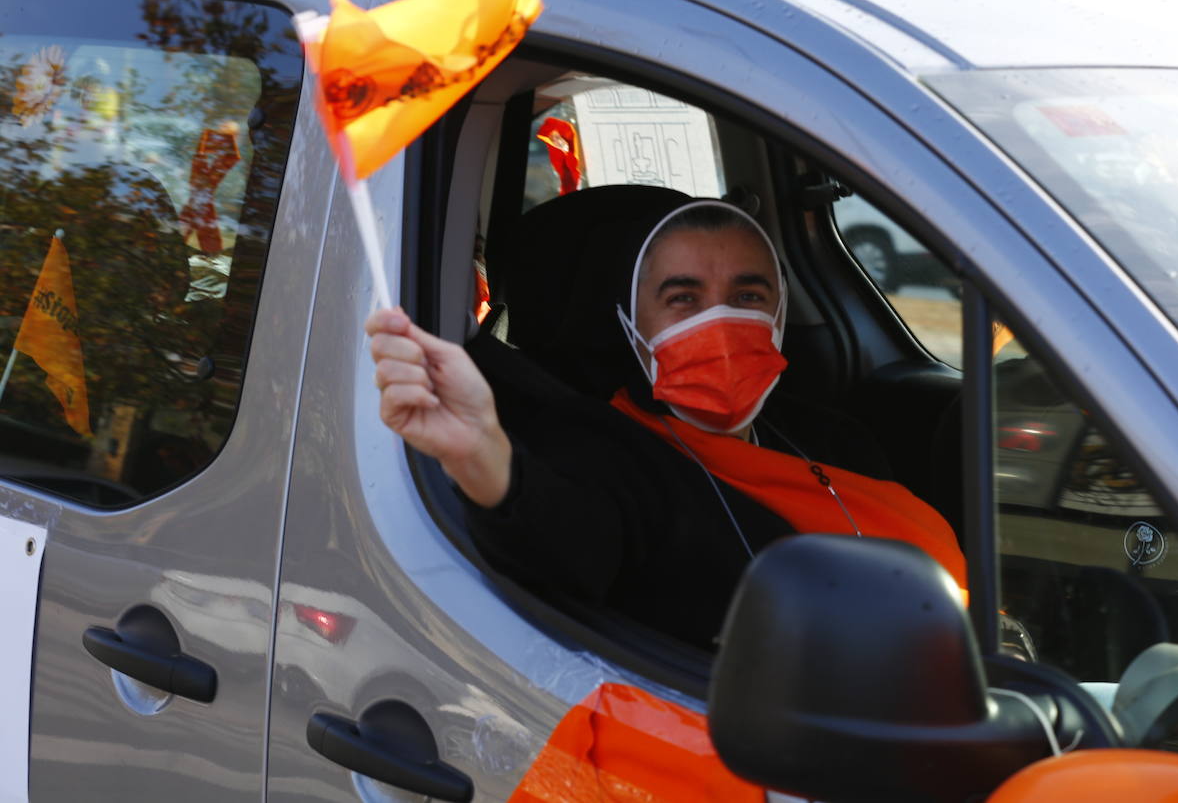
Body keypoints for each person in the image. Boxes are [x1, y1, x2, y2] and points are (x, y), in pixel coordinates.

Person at [367, 197, 964, 649]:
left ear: (780, 314)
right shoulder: (599, 448)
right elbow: (561, 541)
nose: (720, 322)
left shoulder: (835, 438)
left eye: (747, 297)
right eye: (683, 299)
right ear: (632, 324)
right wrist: (480, 454)